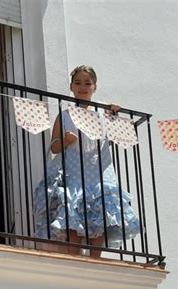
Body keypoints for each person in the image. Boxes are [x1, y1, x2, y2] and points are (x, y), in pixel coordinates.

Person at [33, 65, 140, 258]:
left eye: (87, 83)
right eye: (78, 82)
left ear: (95, 87)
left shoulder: (103, 112)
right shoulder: (64, 115)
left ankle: (95, 261)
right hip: (73, 173)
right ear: (71, 87)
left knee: (100, 218)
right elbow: (54, 147)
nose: (83, 86)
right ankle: (75, 260)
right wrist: (65, 141)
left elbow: (119, 132)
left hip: (98, 172)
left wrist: (114, 111)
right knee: (72, 217)